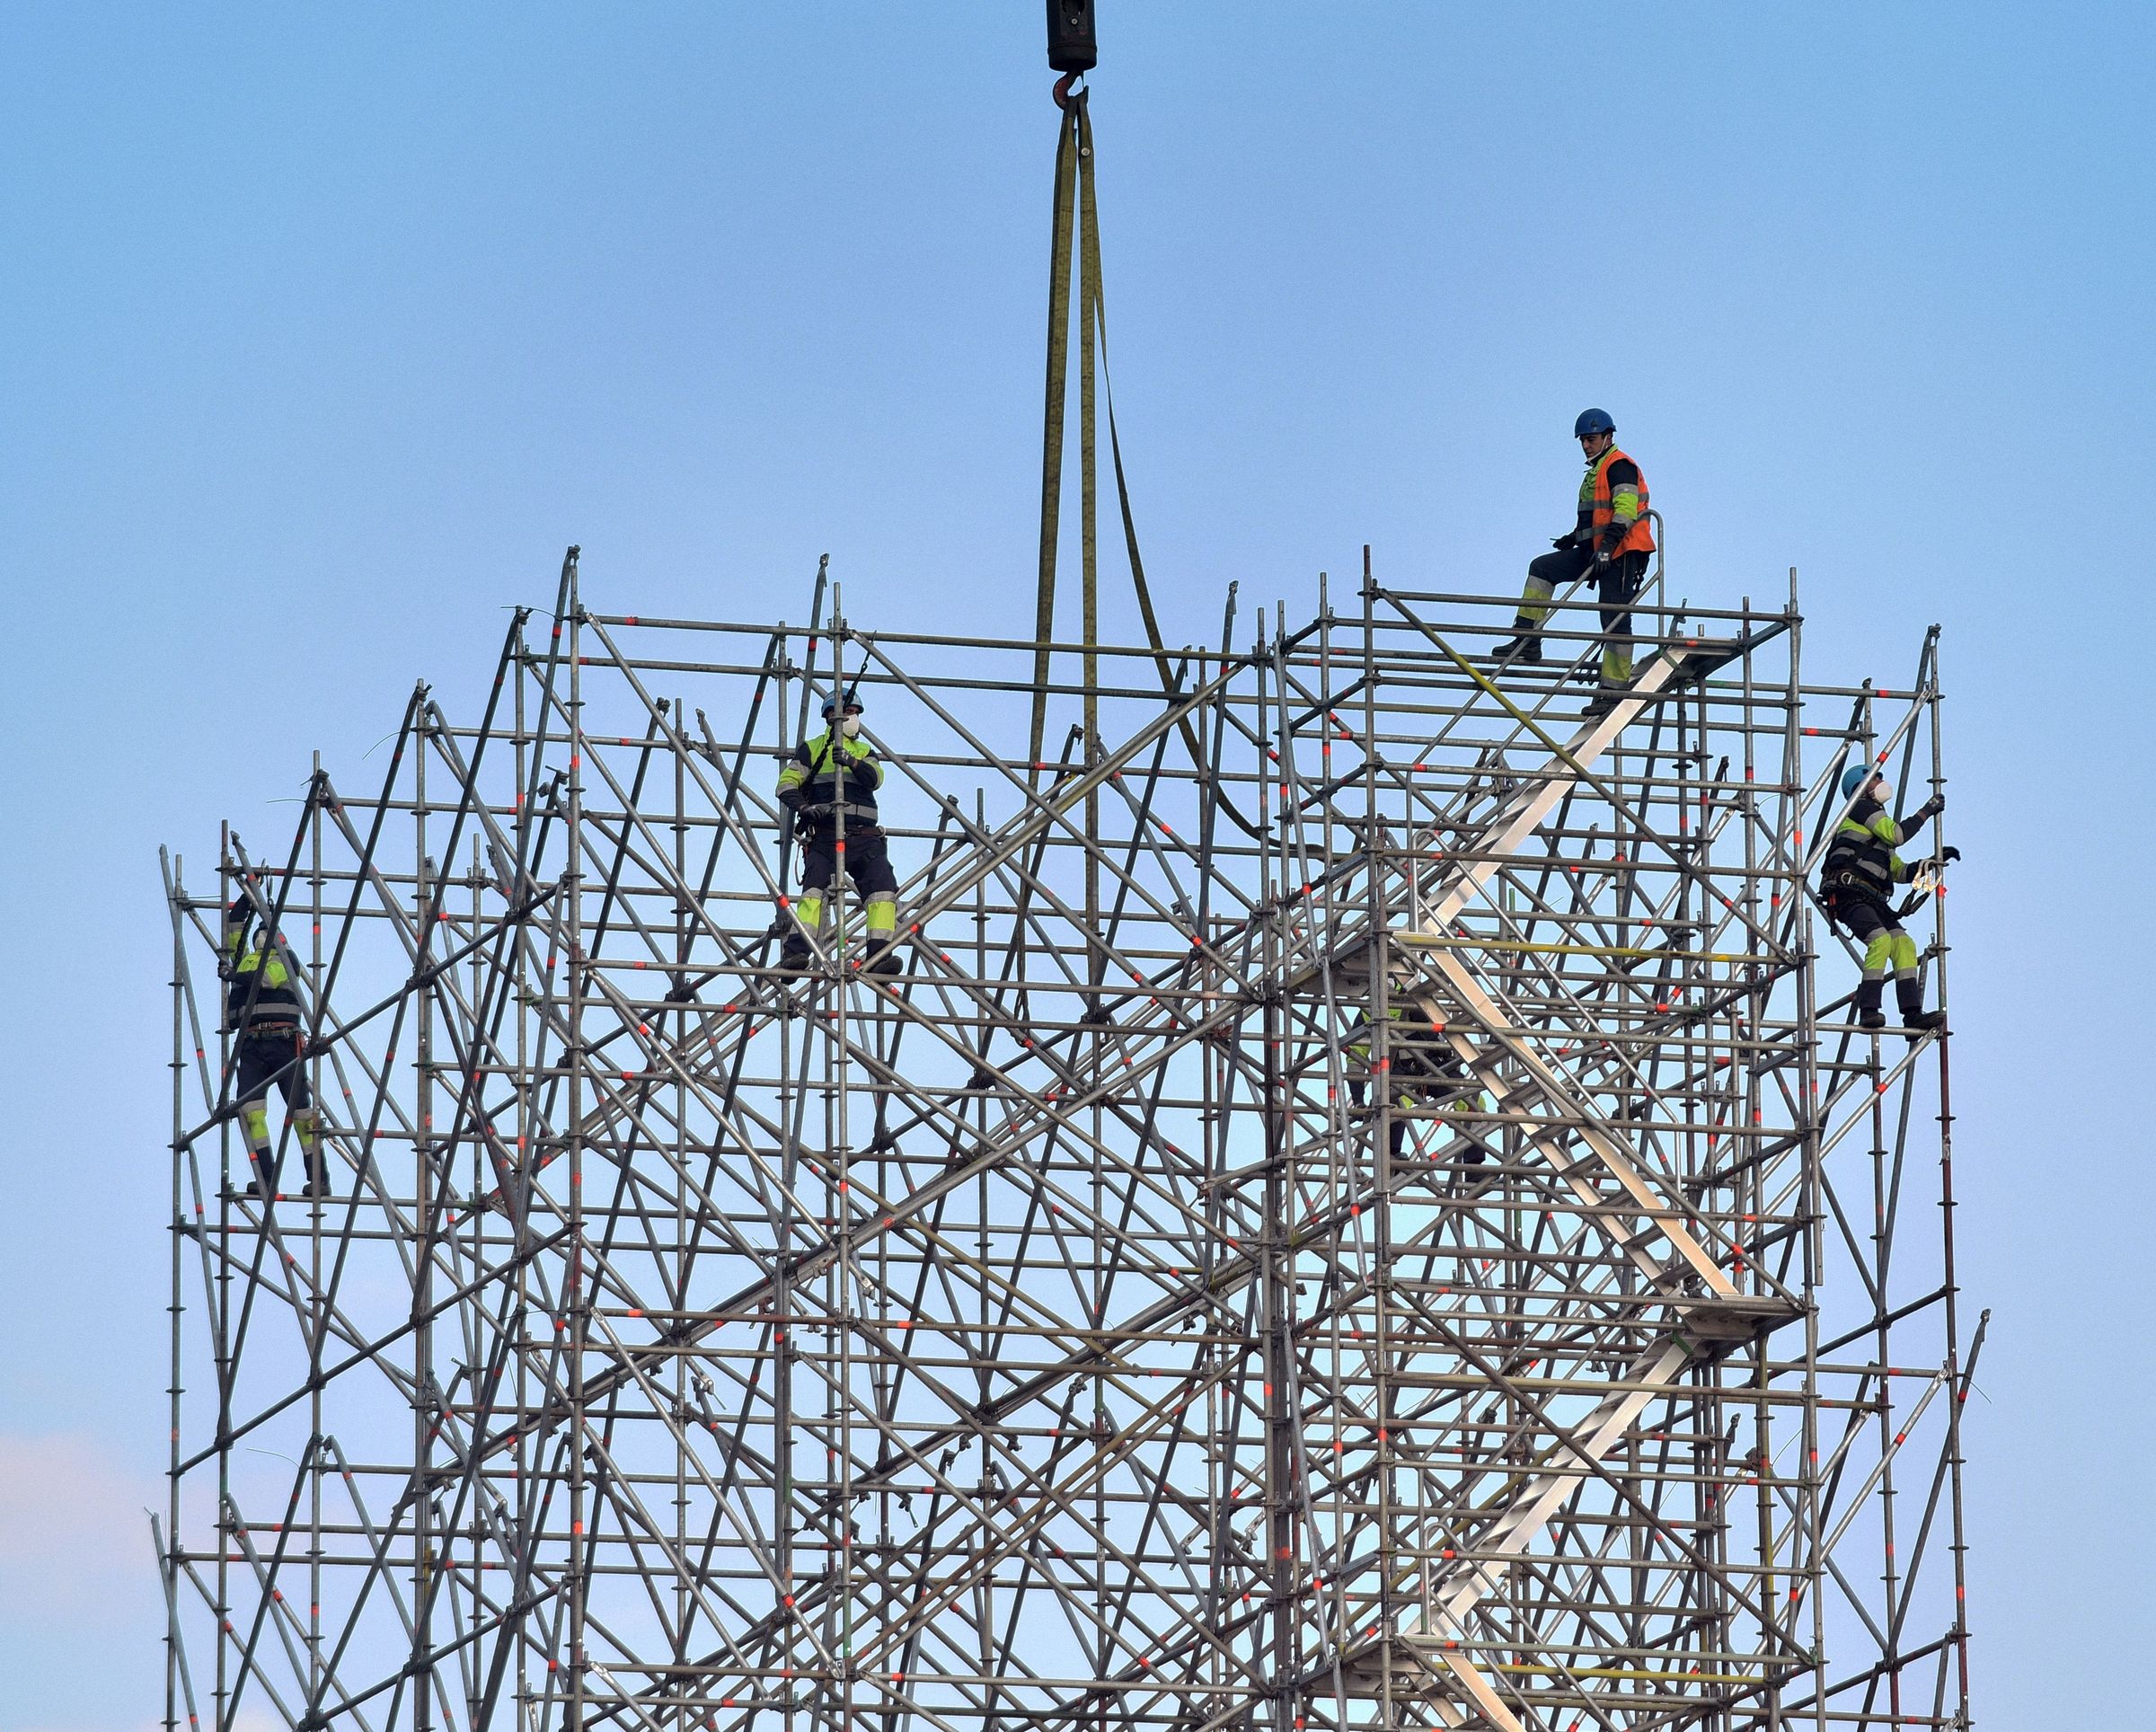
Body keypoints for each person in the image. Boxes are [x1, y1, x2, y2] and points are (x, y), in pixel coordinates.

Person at [1491, 409, 1657, 716]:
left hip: (1622, 551)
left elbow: (1624, 511)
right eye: (1582, 440)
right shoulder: (1598, 470)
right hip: (1597, 549)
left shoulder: (1619, 465)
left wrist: (1606, 547)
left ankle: (1613, 691)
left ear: (1608, 436)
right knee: (1542, 569)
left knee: (1614, 618)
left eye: (1591, 439)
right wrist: (1575, 537)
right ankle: (1527, 639)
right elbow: (1599, 516)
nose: (1585, 445)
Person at [1819, 764, 1957, 1034]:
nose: (1881, 781)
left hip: (1871, 899)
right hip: (1848, 895)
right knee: (1880, 940)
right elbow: (1898, 835)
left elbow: (1899, 871)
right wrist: (1927, 810)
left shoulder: (1877, 832)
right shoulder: (1860, 808)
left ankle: (1912, 1013)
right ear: (1861, 788)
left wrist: (1933, 861)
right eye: (1875, 778)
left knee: (1904, 944)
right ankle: (1869, 1010)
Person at [775, 686, 903, 976]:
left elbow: (875, 779)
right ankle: (795, 953)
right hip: (825, 837)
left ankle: (880, 956)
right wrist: (805, 808)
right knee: (813, 893)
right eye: (849, 713)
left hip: (865, 838)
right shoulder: (813, 749)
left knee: (883, 890)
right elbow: (785, 785)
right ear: (832, 715)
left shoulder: (864, 751)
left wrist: (851, 761)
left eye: (856, 713)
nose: (854, 718)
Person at [221, 893, 325, 1197]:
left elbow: (265, 979)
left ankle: (318, 1178)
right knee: (250, 1111)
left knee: (301, 1112)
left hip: (284, 1043)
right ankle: (266, 1177)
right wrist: (248, 898)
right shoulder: (246, 959)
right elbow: (235, 929)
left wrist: (233, 975)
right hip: (252, 1045)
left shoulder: (286, 960)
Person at [1347, 1002, 1488, 1166]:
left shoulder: (1424, 1001)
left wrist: (1358, 1099)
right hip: (1403, 1075)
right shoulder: (1369, 1011)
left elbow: (1354, 1060)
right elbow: (1355, 1058)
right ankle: (1392, 1162)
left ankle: (1474, 1168)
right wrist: (1358, 1100)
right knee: (1391, 1105)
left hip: (1435, 1069)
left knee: (1473, 1102)